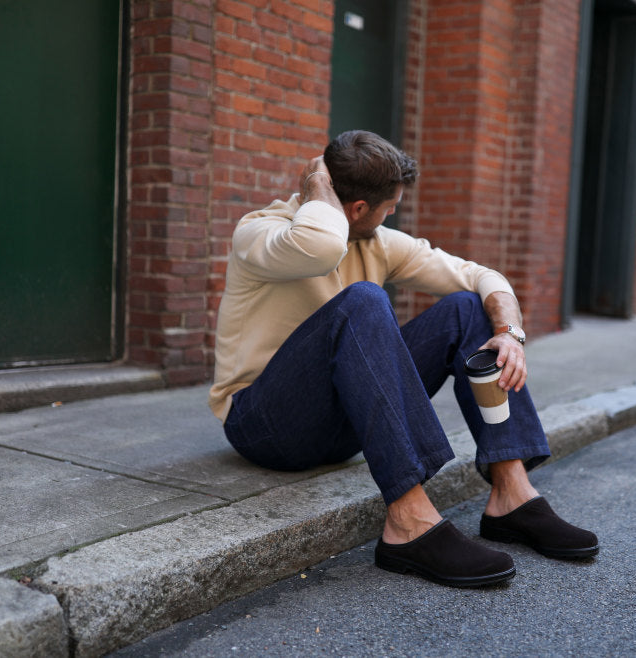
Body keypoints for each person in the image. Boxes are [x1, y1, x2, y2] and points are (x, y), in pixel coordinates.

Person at [209, 130, 597, 587]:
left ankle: (511, 493)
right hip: (263, 426)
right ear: (357, 209)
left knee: (467, 306)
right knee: (364, 301)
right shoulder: (259, 233)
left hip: (340, 427)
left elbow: (480, 275)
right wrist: (316, 184)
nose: (392, 213)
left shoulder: (377, 243)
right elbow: (320, 248)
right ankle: (407, 520)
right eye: (389, 205)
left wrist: (510, 334)